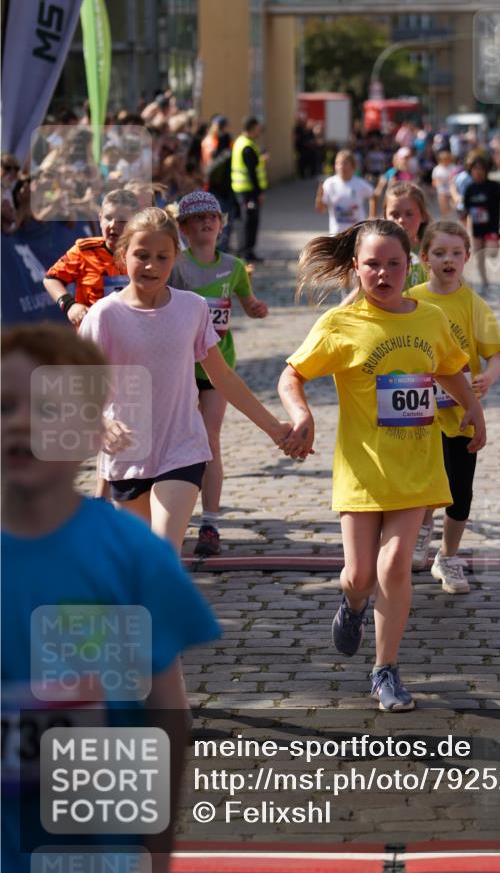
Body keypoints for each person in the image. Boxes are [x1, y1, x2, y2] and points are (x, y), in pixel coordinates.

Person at [1, 323, 221, 873]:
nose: (23, 422)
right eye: (4, 406)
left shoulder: (131, 556)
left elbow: (166, 712)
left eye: (50, 410)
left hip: (94, 846)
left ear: (90, 433)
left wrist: (158, 843)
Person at [277, 219, 486, 712]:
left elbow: (451, 370)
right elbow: (292, 375)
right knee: (360, 575)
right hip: (362, 468)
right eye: (372, 264)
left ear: (409, 264)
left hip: (416, 464)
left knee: (395, 566)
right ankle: (351, 605)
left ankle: (385, 671)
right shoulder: (339, 326)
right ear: (355, 268)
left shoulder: (430, 317)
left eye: (394, 263)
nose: (384, 273)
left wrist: (473, 412)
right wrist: (301, 414)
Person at [79, 207, 298, 553]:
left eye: (162, 257)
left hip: (182, 447)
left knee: (165, 551)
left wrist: (274, 428)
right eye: (141, 255)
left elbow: (222, 376)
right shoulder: (104, 315)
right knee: (144, 561)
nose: (151, 265)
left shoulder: (191, 308)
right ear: (123, 255)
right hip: (127, 453)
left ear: (176, 259)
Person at [169, 190, 268, 556]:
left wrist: (255, 307)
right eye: (198, 219)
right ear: (183, 228)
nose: (207, 223)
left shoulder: (234, 267)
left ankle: (209, 523)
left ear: (221, 225)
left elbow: (245, 299)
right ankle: (173, 517)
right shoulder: (176, 265)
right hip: (178, 368)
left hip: (216, 366)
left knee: (210, 439)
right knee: (178, 442)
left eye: (212, 217)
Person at [407, 221, 500, 576]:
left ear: (467, 257)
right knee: (421, 486)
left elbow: (496, 354)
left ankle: (447, 556)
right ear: (423, 258)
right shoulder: (412, 300)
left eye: (455, 253)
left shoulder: (473, 304)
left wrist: (488, 378)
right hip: (418, 412)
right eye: (439, 253)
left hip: (461, 414)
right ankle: (418, 536)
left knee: (459, 490)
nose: (448, 260)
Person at [43, 188, 139, 326]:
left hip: (131, 334)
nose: (112, 225)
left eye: (121, 220)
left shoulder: (143, 253)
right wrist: (70, 306)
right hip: (93, 337)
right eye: (108, 218)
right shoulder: (84, 251)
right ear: (99, 219)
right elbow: (51, 279)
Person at [460, 153, 500, 294]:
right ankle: (485, 281)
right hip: (476, 229)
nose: (478, 172)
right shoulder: (469, 189)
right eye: (475, 169)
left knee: (492, 253)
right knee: (478, 256)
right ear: (470, 171)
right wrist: (462, 229)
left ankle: (495, 243)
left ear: (486, 171)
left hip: (491, 227)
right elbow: (464, 211)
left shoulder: (493, 186)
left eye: (481, 169)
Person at [231, 116, 268, 263]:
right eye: (258, 128)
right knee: (250, 221)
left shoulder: (240, 142)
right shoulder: (247, 146)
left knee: (243, 221)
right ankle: (247, 252)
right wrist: (259, 193)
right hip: (248, 191)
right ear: (252, 128)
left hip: (241, 190)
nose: (260, 131)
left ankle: (244, 251)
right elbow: (252, 172)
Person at [315, 149, 376, 234]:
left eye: (345, 163)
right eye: (338, 163)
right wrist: (319, 197)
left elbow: (373, 196)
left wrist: (372, 217)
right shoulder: (329, 184)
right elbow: (321, 210)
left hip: (357, 233)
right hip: (337, 234)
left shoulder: (360, 183)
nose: (341, 166)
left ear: (353, 166)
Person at [383, 181, 431, 288]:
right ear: (385, 217)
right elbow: (362, 290)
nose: (401, 220)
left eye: (409, 214)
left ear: (423, 216)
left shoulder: (434, 253)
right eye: (394, 214)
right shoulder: (379, 253)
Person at [431, 148, 457, 218]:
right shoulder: (437, 169)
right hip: (442, 191)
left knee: (454, 207)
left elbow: (456, 179)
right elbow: (433, 182)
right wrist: (438, 182)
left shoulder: (453, 167)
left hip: (452, 191)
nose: (445, 161)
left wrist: (451, 180)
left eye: (447, 159)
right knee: (444, 210)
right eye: (444, 160)